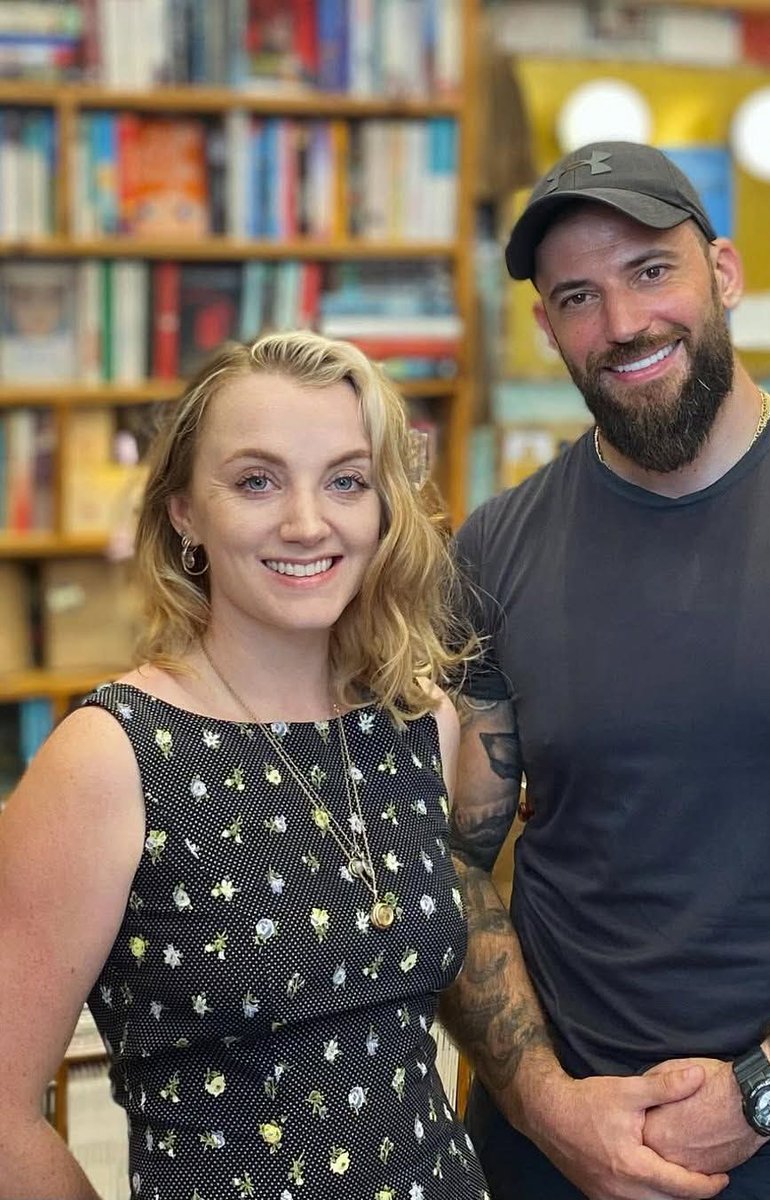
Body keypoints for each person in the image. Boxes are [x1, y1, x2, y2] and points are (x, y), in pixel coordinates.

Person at [440, 140, 770, 1200]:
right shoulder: (494, 549)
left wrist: (762, 1094)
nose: (622, 325)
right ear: (546, 330)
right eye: (576, 297)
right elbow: (446, 857)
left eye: (648, 271)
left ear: (720, 273)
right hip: (557, 1143)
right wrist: (542, 1101)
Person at [0, 330, 490, 1200]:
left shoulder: (421, 724)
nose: (307, 523)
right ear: (185, 510)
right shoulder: (110, 758)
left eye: (346, 479)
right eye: (257, 480)